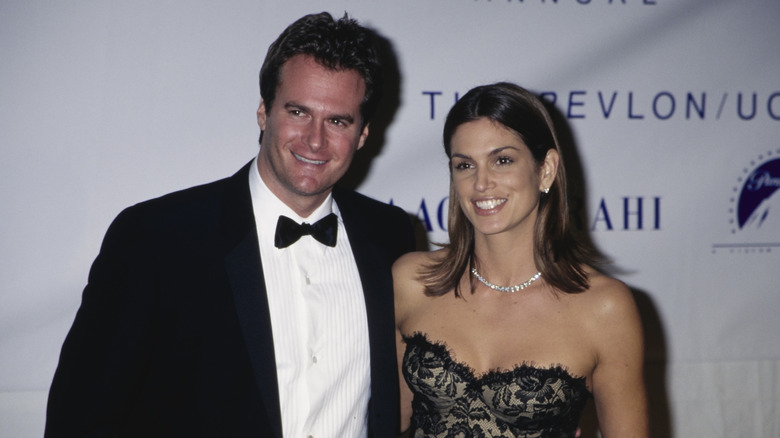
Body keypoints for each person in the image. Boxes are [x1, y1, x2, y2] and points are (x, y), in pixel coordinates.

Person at [45, 12, 414, 438]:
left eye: (338, 121)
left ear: (364, 134)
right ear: (263, 112)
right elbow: (80, 418)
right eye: (298, 111)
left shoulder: (390, 236)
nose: (315, 140)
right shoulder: (156, 239)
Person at [393, 82, 648, 437]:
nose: (481, 183)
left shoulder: (604, 307)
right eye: (465, 165)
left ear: (545, 169)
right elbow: (383, 422)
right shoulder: (411, 281)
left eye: (502, 161)